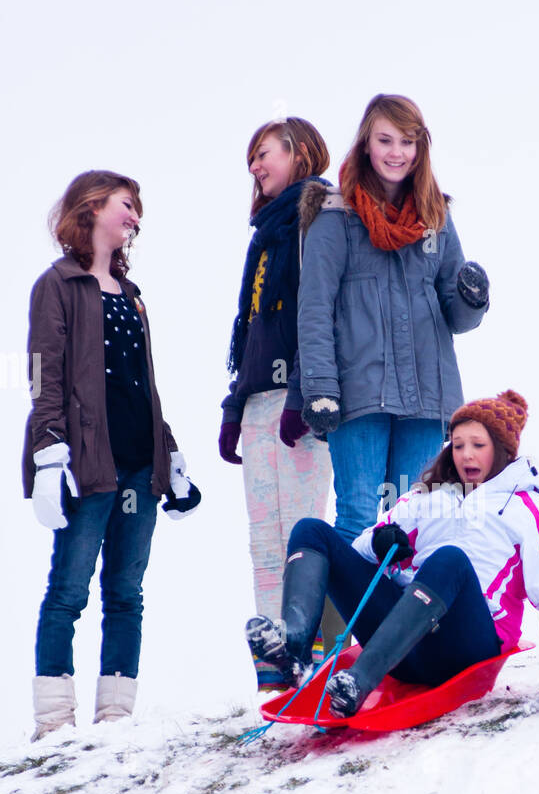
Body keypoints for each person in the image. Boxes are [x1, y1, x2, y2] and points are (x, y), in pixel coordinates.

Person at [245, 390, 539, 719]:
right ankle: (295, 650)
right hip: (402, 647)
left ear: (501, 450)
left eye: (478, 445)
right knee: (311, 531)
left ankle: (357, 682)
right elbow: (360, 551)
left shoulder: (527, 511)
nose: (466, 454)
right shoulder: (429, 497)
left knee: (449, 560)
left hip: (465, 648)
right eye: (458, 445)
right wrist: (380, 543)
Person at [23, 171, 199, 740]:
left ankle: (115, 721)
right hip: (87, 465)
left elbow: (143, 383)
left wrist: (169, 455)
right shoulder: (58, 285)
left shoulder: (133, 295)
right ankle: (54, 724)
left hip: (138, 465)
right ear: (93, 207)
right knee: (69, 591)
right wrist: (48, 453)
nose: (135, 217)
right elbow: (44, 376)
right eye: (128, 205)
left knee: (126, 593)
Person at [296, 93, 489, 542]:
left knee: (413, 523)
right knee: (359, 518)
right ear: (366, 143)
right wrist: (321, 388)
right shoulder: (335, 215)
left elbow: (455, 316)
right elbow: (315, 309)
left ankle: (402, 615)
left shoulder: (434, 216)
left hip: (425, 397)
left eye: (407, 142)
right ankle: (353, 615)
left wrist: (471, 299)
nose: (396, 153)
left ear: (420, 148)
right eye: (386, 140)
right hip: (358, 394)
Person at [220, 117, 338, 688]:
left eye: (263, 153)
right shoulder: (263, 233)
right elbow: (249, 329)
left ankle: (320, 657)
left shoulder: (316, 217)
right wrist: (232, 408)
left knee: (304, 533)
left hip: (300, 401)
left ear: (298, 151)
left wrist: (303, 393)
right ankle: (276, 671)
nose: (255, 167)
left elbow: (317, 315)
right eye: (251, 159)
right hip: (258, 402)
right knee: (263, 537)